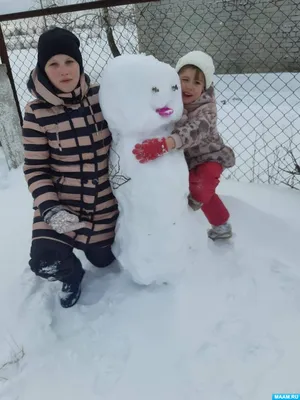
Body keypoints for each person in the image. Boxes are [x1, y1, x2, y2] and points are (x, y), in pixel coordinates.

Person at [22, 27, 118, 308]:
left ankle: (93, 250)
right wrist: (51, 208)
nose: (64, 71)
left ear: (80, 64)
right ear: (42, 68)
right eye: (53, 64)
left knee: (103, 261)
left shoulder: (103, 97)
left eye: (70, 62)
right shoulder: (36, 112)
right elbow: (35, 168)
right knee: (45, 261)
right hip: (61, 204)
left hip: (103, 204)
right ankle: (71, 275)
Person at [132, 50, 235, 240]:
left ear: (204, 88)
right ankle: (222, 225)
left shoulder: (207, 109)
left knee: (200, 188)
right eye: (184, 79)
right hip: (187, 159)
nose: (189, 86)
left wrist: (165, 144)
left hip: (210, 157)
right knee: (205, 193)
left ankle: (189, 214)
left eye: (197, 82)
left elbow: (195, 130)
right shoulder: (172, 100)